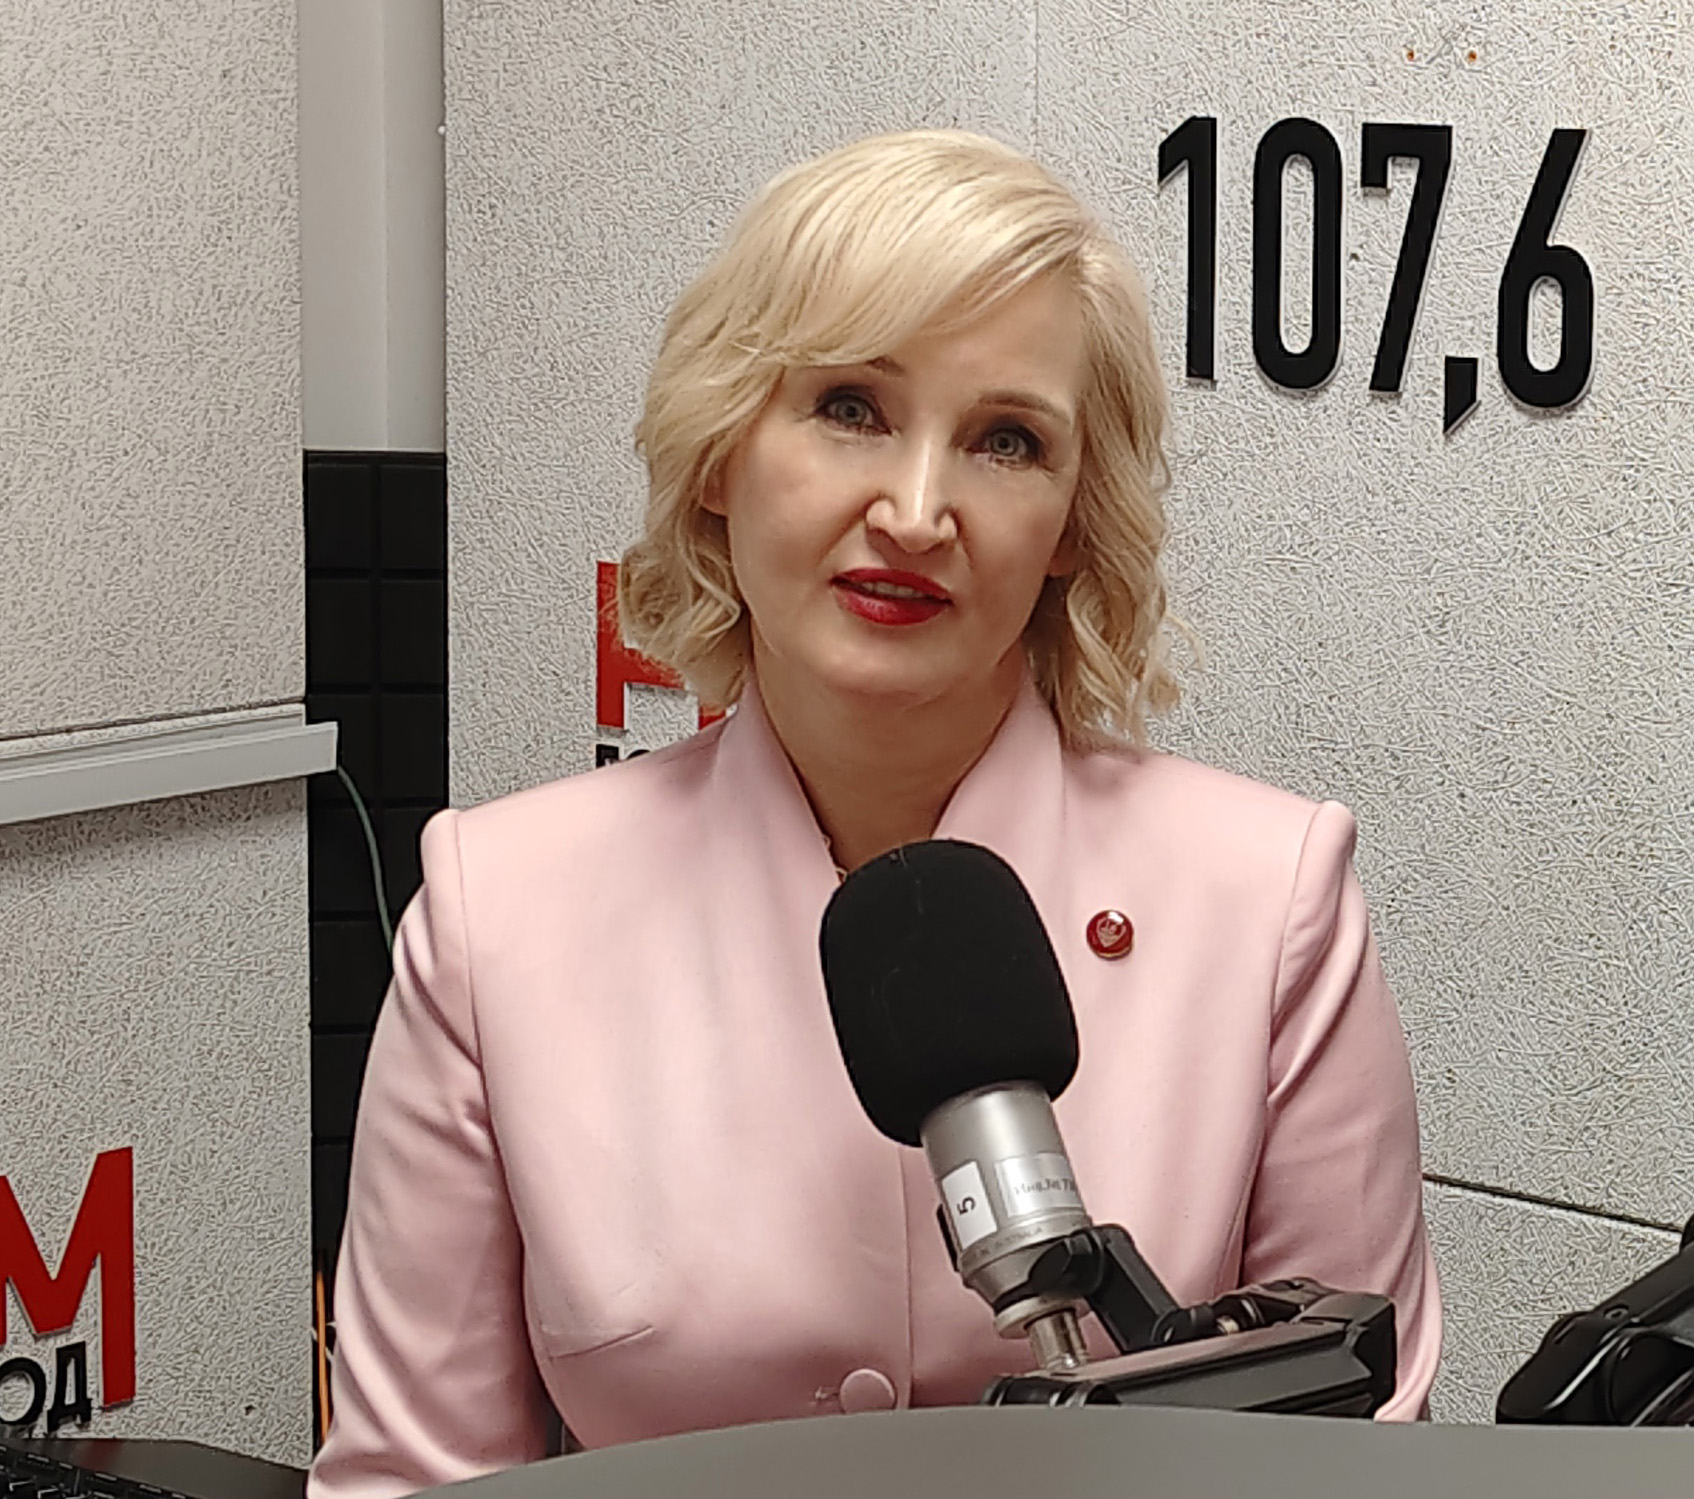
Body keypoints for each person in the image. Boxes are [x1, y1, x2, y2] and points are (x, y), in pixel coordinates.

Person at [308, 128, 1441, 1498]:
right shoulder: (500, 910)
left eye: (1006, 441)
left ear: (1071, 522)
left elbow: (1357, 1460)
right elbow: (408, 1482)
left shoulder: (1268, 900)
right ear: (721, 454)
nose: (913, 512)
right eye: (849, 407)